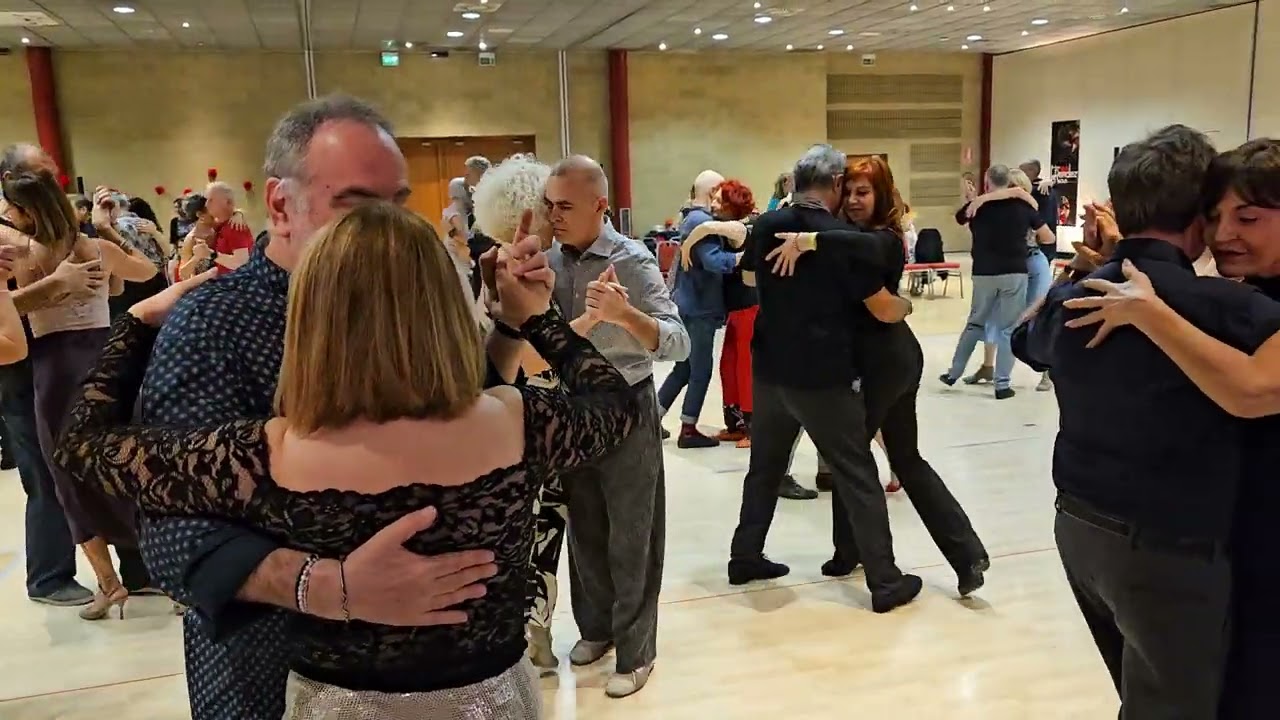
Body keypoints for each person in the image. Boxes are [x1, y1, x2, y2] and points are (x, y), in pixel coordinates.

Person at [55, 200, 641, 719]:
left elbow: (81, 446)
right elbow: (617, 403)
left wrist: (133, 325)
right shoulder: (518, 420)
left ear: (314, 316)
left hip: (340, 707)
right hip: (490, 704)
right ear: (442, 304)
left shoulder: (272, 452)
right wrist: (535, 318)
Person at [133, 94, 529, 720]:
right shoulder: (217, 322)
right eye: (355, 205)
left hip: (450, 675)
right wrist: (327, 587)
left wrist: (511, 327)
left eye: (397, 204)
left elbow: (472, 410)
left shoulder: (410, 299)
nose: (386, 227)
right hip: (277, 673)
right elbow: (172, 529)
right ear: (280, 204)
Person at [1011, 125, 1279, 717]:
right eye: (1221, 215)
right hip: (1169, 546)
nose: (1228, 233)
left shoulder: (1083, 295)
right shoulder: (1236, 310)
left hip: (1080, 527)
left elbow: (1026, 339)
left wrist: (1092, 273)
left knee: (1143, 693)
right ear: (1198, 219)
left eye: (1250, 218)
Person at [771, 155, 989, 595]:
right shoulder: (849, 237)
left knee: (850, 457)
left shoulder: (880, 240)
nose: (853, 200)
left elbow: (882, 299)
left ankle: (853, 553)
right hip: (888, 359)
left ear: (882, 194)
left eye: (863, 192)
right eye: (848, 191)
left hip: (887, 361)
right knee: (900, 458)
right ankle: (966, 556)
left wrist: (813, 239)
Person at [727, 144, 922, 614]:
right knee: (857, 473)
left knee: (765, 469)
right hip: (822, 377)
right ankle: (884, 580)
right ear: (835, 184)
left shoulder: (769, 224)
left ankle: (745, 556)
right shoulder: (838, 236)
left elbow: (749, 279)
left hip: (769, 370)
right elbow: (878, 303)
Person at [545, 154, 689, 698]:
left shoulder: (632, 260)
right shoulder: (549, 261)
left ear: (599, 206)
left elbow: (680, 343)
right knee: (585, 529)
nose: (554, 216)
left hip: (627, 404)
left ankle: (637, 651)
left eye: (565, 206)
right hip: (573, 408)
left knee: (633, 532)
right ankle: (597, 630)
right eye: (549, 205)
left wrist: (625, 315)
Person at [5, 174, 159, 620]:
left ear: (29, 211)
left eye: (11, 208)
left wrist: (50, 285)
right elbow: (147, 271)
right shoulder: (95, 249)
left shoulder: (22, 254)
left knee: (67, 476)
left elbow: (5, 307)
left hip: (56, 371)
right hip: (107, 362)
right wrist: (105, 231)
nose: (8, 216)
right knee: (128, 466)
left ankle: (110, 586)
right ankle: (164, 576)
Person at [470, 153, 566, 672]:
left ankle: (522, 631)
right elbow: (536, 354)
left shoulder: (489, 265)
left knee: (513, 532)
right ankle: (536, 633)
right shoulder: (528, 269)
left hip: (499, 419)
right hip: (537, 414)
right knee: (545, 528)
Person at [0, 143, 102, 608]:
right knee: (45, 472)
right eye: (42, 175)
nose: (54, 183)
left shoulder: (63, 230)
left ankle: (131, 566)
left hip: (63, 359)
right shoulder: (5, 238)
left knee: (94, 459)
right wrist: (56, 284)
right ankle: (49, 575)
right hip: (18, 368)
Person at [942, 164, 1054, 398]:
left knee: (975, 324)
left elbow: (960, 217)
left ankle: (953, 373)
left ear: (987, 181)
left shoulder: (977, 206)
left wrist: (974, 199)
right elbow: (1048, 237)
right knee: (1007, 329)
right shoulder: (1024, 206)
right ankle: (1002, 385)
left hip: (983, 273)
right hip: (1015, 271)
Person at [658, 169, 739, 449]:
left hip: (687, 302)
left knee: (683, 368)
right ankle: (689, 429)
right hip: (700, 307)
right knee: (700, 370)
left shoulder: (690, 218)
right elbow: (714, 261)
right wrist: (744, 256)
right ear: (712, 191)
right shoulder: (701, 221)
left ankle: (652, 420)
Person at [679, 179, 757, 448]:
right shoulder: (725, 227)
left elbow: (705, 226)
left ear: (732, 206)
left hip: (749, 305)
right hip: (734, 308)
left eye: (720, 199)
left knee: (745, 367)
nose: (713, 204)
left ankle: (752, 429)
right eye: (713, 197)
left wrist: (689, 243)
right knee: (729, 367)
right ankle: (735, 423)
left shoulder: (739, 227)